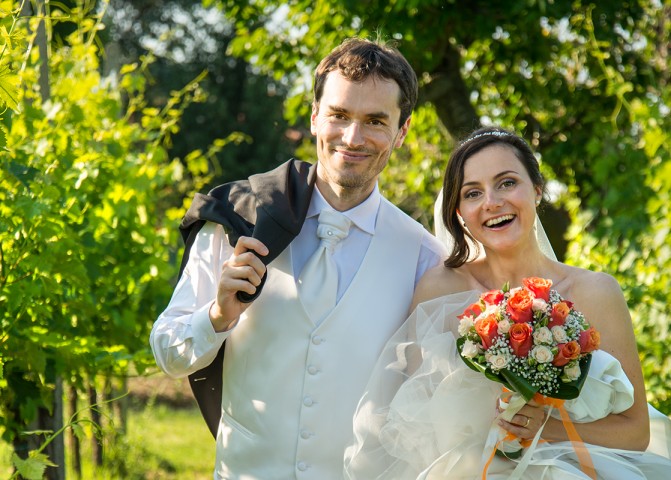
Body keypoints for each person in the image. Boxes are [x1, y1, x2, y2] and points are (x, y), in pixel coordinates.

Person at [150, 37, 447, 480]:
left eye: (375, 121)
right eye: (340, 115)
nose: (353, 137)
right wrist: (216, 315)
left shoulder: (425, 258)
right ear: (314, 116)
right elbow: (167, 353)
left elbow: (432, 403)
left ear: (402, 131)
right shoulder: (239, 218)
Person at [344, 126, 671, 479]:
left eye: (507, 183)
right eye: (473, 193)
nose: (492, 202)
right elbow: (409, 417)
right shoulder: (439, 289)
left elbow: (636, 433)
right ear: (458, 213)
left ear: (537, 189)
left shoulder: (596, 292)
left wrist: (543, 431)